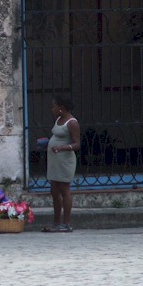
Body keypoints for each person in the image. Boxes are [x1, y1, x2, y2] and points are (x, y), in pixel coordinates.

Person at [42, 95, 80, 233]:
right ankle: (57, 222)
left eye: (54, 105)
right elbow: (57, 136)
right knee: (54, 190)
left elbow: (76, 144)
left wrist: (62, 148)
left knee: (64, 189)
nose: (52, 108)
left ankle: (67, 223)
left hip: (64, 160)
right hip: (54, 160)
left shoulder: (72, 123)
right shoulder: (59, 119)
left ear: (61, 108)